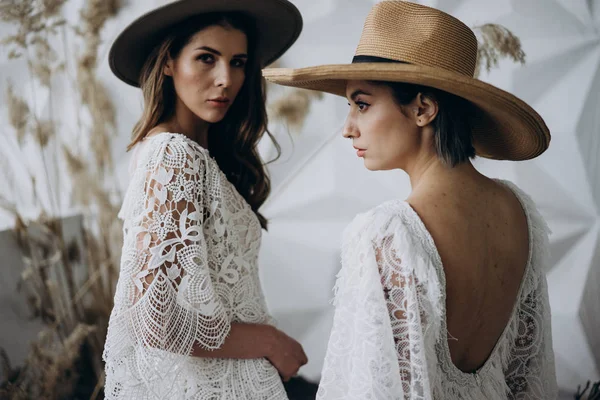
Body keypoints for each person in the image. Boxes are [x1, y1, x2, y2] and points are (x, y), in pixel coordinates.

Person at [263, 1, 557, 399]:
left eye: (362, 105)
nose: (348, 128)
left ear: (423, 108)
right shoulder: (519, 213)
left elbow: (370, 389)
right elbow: (528, 378)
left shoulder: (390, 234)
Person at [102, 1, 307, 399]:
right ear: (168, 63)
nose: (226, 79)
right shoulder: (173, 155)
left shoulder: (189, 155)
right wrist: (268, 341)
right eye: (206, 58)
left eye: (238, 62)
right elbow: (154, 319)